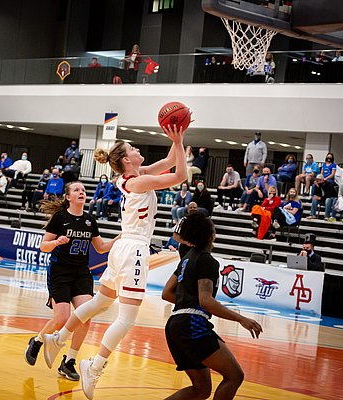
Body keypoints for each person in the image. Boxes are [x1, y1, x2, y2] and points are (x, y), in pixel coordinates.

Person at [42, 124, 188, 399]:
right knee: (127, 318)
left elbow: (170, 161)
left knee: (100, 303)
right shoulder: (138, 181)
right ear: (125, 160)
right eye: (133, 149)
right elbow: (179, 174)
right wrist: (179, 141)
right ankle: (94, 366)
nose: (137, 150)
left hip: (123, 247)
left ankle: (57, 338)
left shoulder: (131, 177)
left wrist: (177, 137)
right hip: (133, 249)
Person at [162, 212, 262, 400]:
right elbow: (205, 301)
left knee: (201, 390)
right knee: (234, 376)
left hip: (175, 324)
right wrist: (242, 319)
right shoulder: (207, 260)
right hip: (192, 324)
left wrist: (187, 299)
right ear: (210, 235)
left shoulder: (186, 258)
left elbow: (166, 293)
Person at [24, 182, 118, 380]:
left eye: (83, 190)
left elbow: (100, 248)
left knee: (85, 316)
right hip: (60, 272)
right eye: (77, 190)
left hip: (81, 273)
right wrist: (56, 242)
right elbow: (43, 247)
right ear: (68, 197)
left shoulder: (90, 220)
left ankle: (69, 362)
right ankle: (38, 340)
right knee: (62, 319)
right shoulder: (60, 219)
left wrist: (120, 240)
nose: (81, 192)